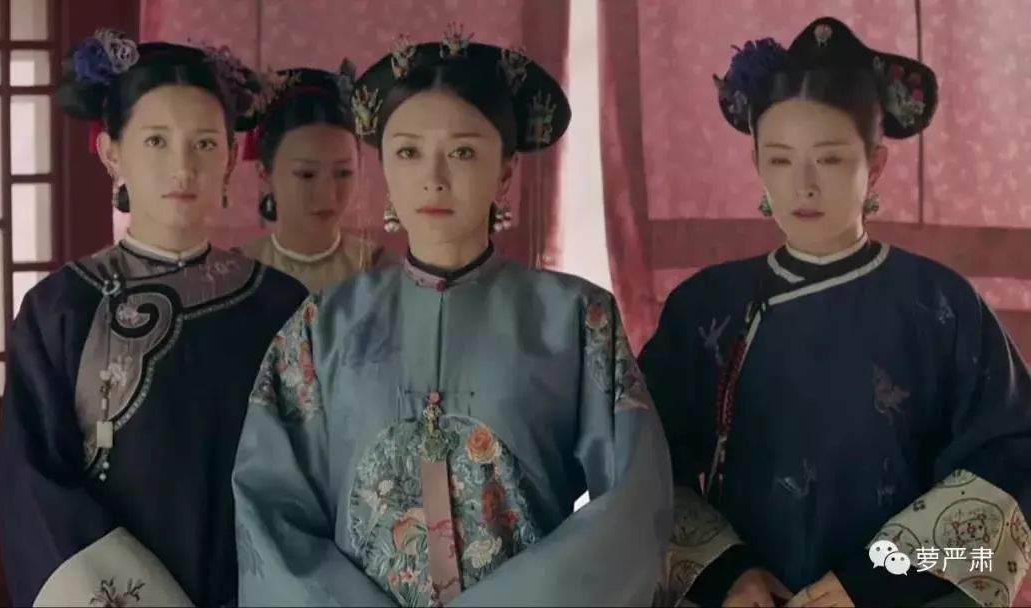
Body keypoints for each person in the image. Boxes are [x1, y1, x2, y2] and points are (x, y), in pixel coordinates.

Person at [233, 24, 673, 607]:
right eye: (409, 152)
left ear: (506, 170)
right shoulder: (323, 329)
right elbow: (271, 512)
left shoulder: (576, 320)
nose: (434, 178)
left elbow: (632, 504)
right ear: (384, 166)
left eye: (463, 152)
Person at [642, 17, 1031, 608]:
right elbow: (643, 462)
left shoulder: (942, 303)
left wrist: (873, 580)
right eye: (779, 160)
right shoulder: (706, 307)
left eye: (828, 159)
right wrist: (727, 573)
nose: (802, 186)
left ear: (875, 165)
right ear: (756, 165)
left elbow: (1010, 456)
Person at [0, 30, 307, 606]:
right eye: (157, 141)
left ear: (231, 157)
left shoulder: (281, 305)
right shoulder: (60, 309)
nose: (182, 167)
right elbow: (36, 494)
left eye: (205, 143)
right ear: (112, 153)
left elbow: (314, 480)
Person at [240, 63, 389, 292]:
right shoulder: (236, 273)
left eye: (343, 173)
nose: (328, 194)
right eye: (307, 174)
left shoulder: (381, 270)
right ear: (265, 174)